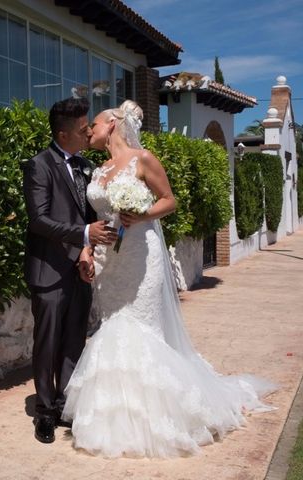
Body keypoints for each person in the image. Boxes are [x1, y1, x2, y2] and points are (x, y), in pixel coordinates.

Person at [61, 99, 276, 457]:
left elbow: (169, 200)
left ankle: (159, 419)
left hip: (141, 258)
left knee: (139, 330)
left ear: (112, 125)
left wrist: (141, 213)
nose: (88, 133)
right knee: (112, 326)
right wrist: (88, 250)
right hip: (109, 262)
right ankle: (116, 417)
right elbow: (91, 217)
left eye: (93, 127)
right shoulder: (97, 171)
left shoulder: (143, 160)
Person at [22, 97, 118, 444]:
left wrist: (87, 250)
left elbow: (87, 214)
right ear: (63, 134)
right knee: (47, 343)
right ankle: (44, 412)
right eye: (82, 129)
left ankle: (65, 405)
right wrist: (83, 234)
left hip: (80, 267)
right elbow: (40, 220)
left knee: (74, 340)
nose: (89, 131)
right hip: (48, 271)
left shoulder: (86, 166)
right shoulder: (39, 166)